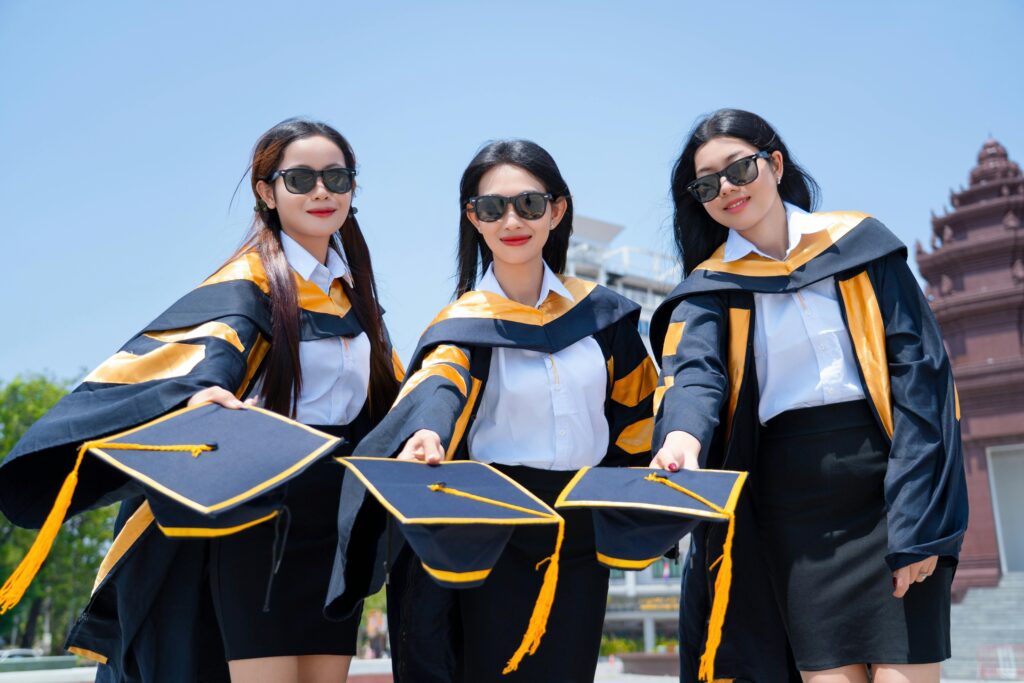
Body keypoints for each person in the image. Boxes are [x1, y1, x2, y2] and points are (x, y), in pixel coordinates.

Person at [0, 118, 401, 683]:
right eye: (301, 177)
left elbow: (389, 402)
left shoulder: (354, 296)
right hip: (260, 514)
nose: (321, 191)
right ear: (267, 191)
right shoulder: (248, 282)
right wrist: (194, 399)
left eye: (336, 177)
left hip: (329, 525)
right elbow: (200, 365)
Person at [648, 108, 969, 683]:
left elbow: (920, 382)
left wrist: (918, 520)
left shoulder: (862, 247)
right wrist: (679, 441)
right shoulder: (711, 288)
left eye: (739, 168)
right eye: (707, 183)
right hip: (794, 515)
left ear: (774, 163)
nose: (726, 188)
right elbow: (695, 374)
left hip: (892, 489)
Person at [330, 139, 658, 683]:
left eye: (529, 204)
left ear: (557, 210)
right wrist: (427, 434)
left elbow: (642, 410)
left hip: (579, 530)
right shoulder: (463, 323)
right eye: (492, 207)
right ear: (473, 218)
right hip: (492, 524)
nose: (512, 220)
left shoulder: (602, 316)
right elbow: (441, 383)